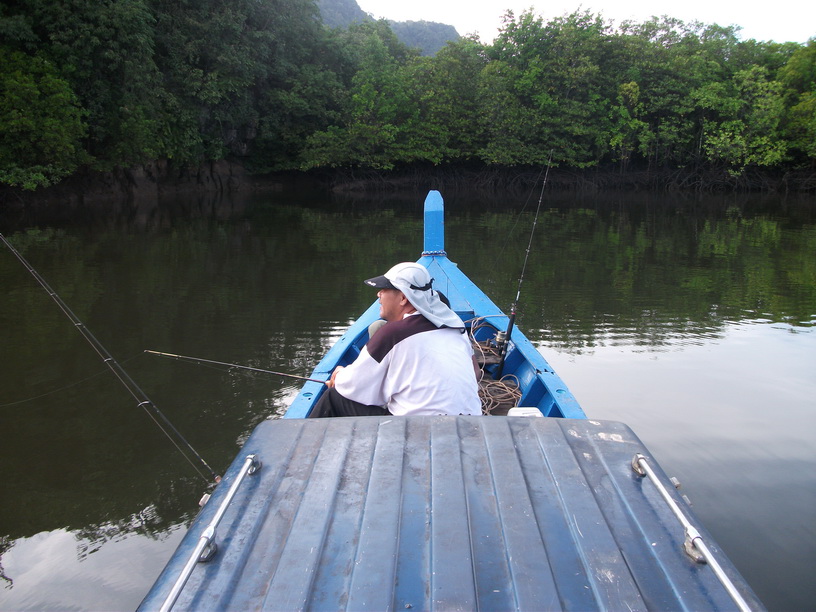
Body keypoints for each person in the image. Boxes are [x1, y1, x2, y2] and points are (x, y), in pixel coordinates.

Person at [308, 262, 482, 417]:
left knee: (333, 397)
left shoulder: (393, 333)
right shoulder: (456, 327)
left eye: (384, 290)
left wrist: (338, 375)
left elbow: (352, 386)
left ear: (403, 297)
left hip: (417, 431)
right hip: (469, 423)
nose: (378, 294)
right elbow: (475, 374)